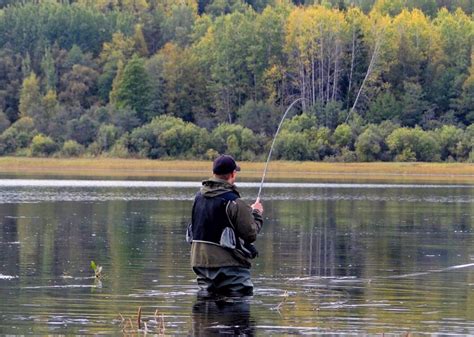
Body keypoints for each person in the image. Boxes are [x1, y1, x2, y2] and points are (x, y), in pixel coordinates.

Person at [188, 154, 263, 297]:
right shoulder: (234, 202)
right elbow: (250, 234)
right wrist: (257, 213)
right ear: (232, 174)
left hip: (200, 264)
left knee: (206, 310)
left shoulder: (198, 198)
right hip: (230, 268)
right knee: (239, 310)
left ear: (213, 173)